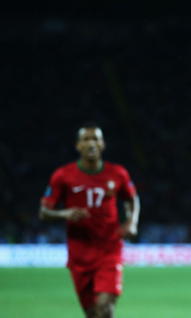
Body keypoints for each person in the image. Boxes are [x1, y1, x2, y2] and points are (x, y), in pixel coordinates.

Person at [39, 123, 140, 318]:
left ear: (102, 145)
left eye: (95, 139)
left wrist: (132, 221)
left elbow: (131, 199)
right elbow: (44, 212)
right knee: (93, 314)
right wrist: (64, 214)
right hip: (79, 254)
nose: (91, 143)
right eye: (86, 139)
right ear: (78, 146)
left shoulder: (117, 173)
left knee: (105, 307)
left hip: (109, 249)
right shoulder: (63, 176)